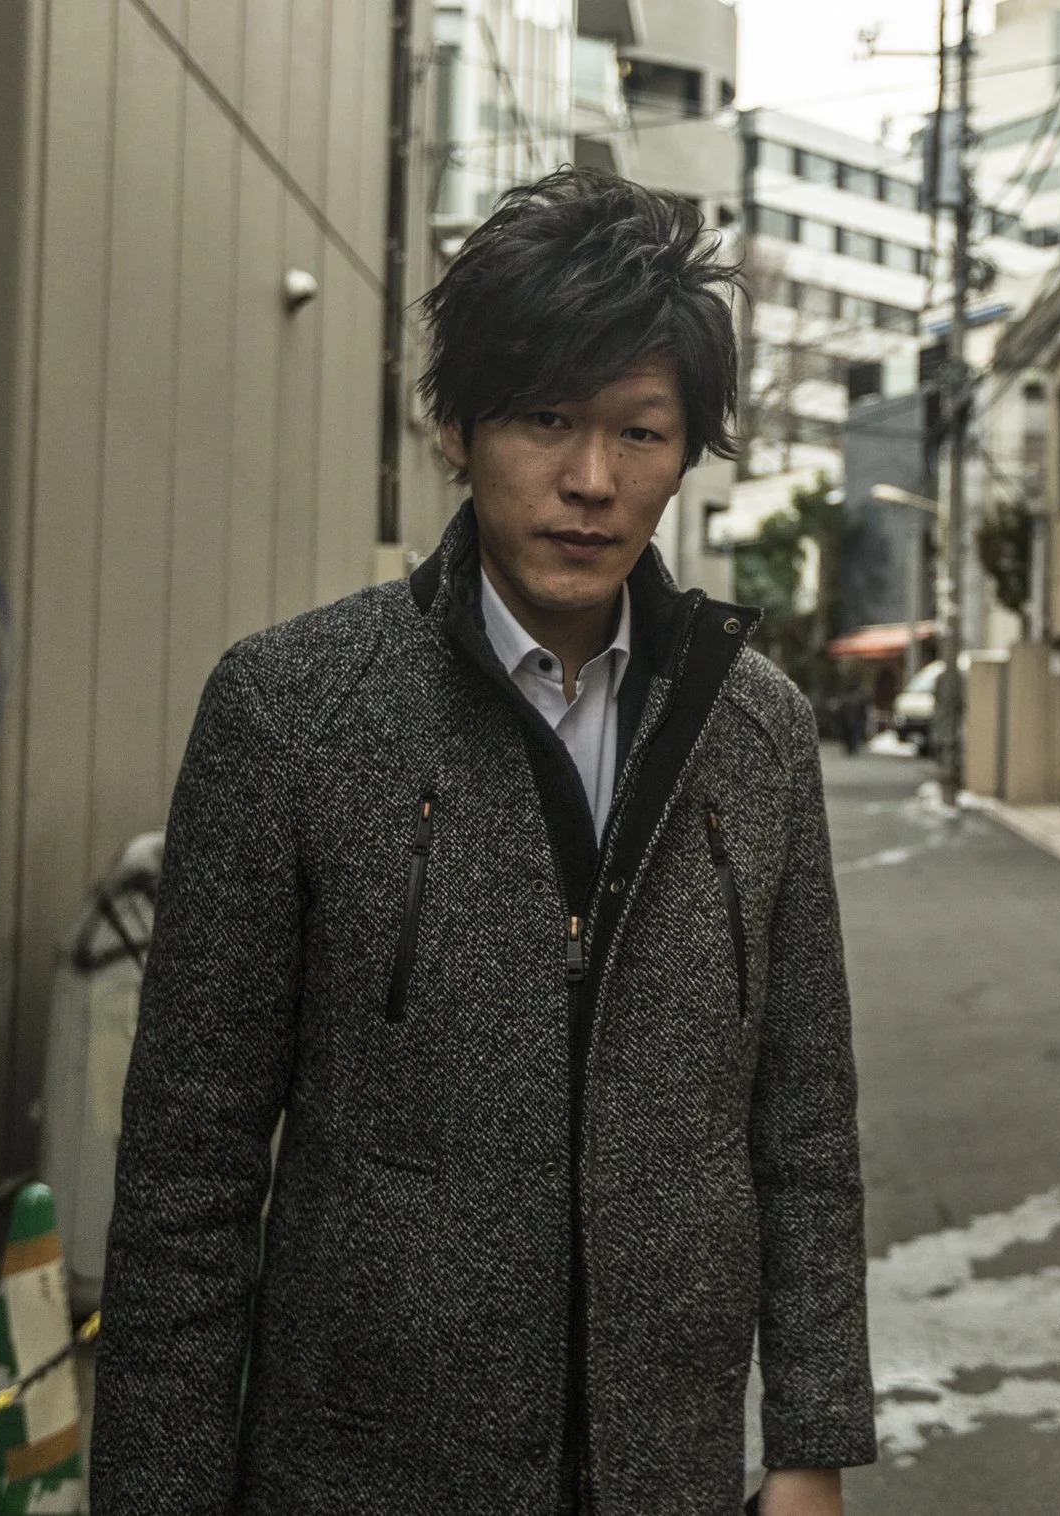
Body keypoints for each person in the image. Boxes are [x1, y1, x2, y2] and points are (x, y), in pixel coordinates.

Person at [91, 168, 875, 1516]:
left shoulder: (757, 734)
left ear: (688, 454)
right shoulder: (291, 711)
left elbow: (799, 1127)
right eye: (544, 420)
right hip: (363, 1469)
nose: (590, 481)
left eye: (640, 433)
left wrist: (809, 1447)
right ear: (458, 427)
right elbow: (189, 1174)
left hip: (664, 1470)